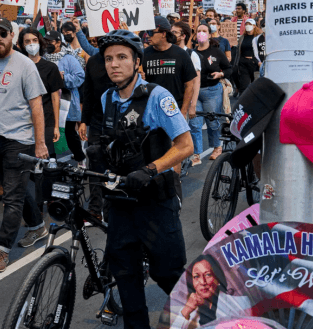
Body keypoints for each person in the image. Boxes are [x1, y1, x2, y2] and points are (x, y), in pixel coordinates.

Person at [98, 28, 193, 329]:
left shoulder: (157, 96)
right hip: (122, 201)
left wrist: (151, 169)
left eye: (122, 57)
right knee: (125, 276)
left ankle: (206, 318)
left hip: (155, 200)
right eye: (109, 58)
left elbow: (185, 145)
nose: (114, 64)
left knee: (167, 273)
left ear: (137, 61)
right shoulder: (107, 98)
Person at [0, 18, 48, 273]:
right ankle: (37, 227)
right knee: (17, 188)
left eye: (4, 33)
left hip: (20, 141)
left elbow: (37, 105)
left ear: (12, 36)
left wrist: (40, 143)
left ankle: (2, 251)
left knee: (11, 197)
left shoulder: (25, 65)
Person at [18, 27, 64, 214]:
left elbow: (55, 97)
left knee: (46, 164)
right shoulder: (19, 67)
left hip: (45, 121)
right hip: (23, 123)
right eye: (27, 41)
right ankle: (35, 199)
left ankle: (49, 199)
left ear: (40, 42)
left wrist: (56, 126)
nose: (31, 45)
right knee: (30, 166)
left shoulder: (50, 68)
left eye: (34, 40)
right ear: (22, 45)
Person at [43, 30, 86, 166]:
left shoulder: (69, 58)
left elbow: (80, 77)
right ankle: (52, 161)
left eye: (50, 41)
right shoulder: (44, 58)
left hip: (66, 103)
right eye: (46, 41)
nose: (47, 44)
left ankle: (80, 159)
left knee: (69, 132)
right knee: (49, 133)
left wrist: (63, 78)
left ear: (58, 43)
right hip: (49, 102)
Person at [171, 255, 250, 328]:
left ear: (218, 278)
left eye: (208, 275)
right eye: (196, 276)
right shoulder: (188, 307)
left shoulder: (240, 303)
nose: (202, 282)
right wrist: (186, 311)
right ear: (192, 282)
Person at [191, 23, 232, 162]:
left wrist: (220, 75)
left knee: (212, 121)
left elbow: (229, 69)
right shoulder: (191, 53)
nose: (201, 33)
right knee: (194, 123)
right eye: (198, 31)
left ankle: (216, 147)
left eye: (204, 31)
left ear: (209, 34)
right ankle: (196, 153)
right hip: (195, 92)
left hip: (212, 91)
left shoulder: (216, 52)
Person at [142, 16, 197, 119]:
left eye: (151, 32)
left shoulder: (181, 54)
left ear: (163, 34)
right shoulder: (144, 55)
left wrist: (183, 112)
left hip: (175, 111)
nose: (147, 36)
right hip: (151, 112)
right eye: (146, 32)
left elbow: (189, 85)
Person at [171, 21, 202, 165]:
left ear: (183, 36)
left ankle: (181, 167)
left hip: (183, 102)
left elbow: (195, 83)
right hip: (170, 102)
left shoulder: (191, 55)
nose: (171, 34)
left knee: (181, 137)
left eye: (175, 32)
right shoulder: (168, 52)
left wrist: (192, 105)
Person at [233, 18, 260, 97]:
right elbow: (239, 50)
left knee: (255, 85)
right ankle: (242, 104)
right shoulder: (242, 37)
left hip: (255, 63)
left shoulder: (258, 37)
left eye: (250, 24)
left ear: (254, 26)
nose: (248, 26)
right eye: (246, 24)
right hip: (243, 62)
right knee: (244, 85)